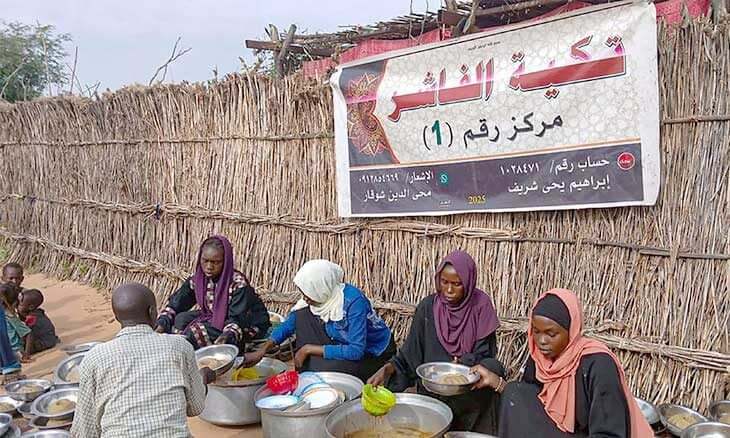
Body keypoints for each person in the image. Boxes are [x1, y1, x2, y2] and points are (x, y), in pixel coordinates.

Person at [471, 288, 653, 438]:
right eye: (536, 331)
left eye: (551, 334)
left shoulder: (598, 365)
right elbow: (529, 404)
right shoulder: (540, 357)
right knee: (515, 392)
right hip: (555, 430)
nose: (541, 341)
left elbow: (610, 431)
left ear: (571, 330)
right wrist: (497, 383)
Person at [368, 250, 504, 434]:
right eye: (444, 282)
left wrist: (461, 366)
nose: (449, 290)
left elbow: (485, 353)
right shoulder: (428, 307)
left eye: (457, 284)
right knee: (395, 383)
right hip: (432, 383)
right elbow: (410, 352)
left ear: (468, 282)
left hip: (467, 383)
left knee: (493, 368)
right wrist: (386, 369)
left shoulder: (481, 306)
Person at [71, 282, 215, 438]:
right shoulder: (179, 347)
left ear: (117, 316)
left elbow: (85, 431)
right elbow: (195, 407)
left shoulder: (94, 358)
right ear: (152, 312)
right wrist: (203, 378)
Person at [243, 259, 395, 382]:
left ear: (320, 288)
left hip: (371, 353)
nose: (305, 298)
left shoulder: (353, 302)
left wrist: (308, 349)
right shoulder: (320, 297)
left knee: (320, 369)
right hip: (340, 342)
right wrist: (262, 350)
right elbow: (289, 325)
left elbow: (356, 351)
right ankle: (309, 370)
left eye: (307, 294)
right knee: (302, 316)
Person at [155, 235, 270, 349]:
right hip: (215, 317)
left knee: (195, 333)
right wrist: (162, 323)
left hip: (244, 323)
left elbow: (237, 319)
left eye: (216, 262)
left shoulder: (238, 284)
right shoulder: (198, 280)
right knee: (180, 320)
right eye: (205, 261)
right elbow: (176, 304)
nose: (209, 266)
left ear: (225, 262)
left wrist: (227, 336)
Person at [18, 289, 59, 354]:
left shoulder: (32, 318)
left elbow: (29, 335)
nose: (18, 306)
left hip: (44, 342)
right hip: (50, 338)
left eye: (20, 305)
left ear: (31, 307)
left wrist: (27, 353)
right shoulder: (37, 312)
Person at [0, 284, 33, 363]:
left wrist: (26, 354)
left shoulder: (9, 317)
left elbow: (28, 333)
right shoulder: (8, 316)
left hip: (14, 351)